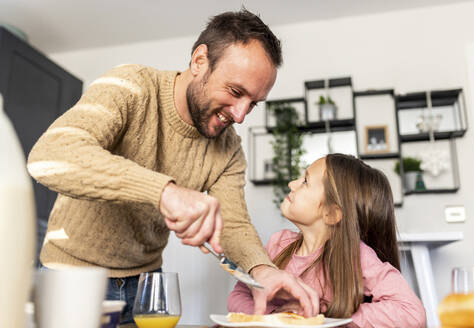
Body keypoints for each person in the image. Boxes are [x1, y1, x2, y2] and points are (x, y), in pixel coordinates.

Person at [27, 9, 319, 325]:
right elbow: (51, 154)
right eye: (235, 92)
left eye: (253, 103)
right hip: (73, 278)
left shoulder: (229, 146)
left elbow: (232, 223)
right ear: (199, 61)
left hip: (146, 286)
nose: (240, 115)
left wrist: (263, 271)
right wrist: (165, 192)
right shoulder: (131, 86)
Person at [228, 154, 427, 327]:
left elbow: (411, 312)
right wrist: (275, 317)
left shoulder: (357, 255)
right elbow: (239, 295)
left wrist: (326, 317)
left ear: (331, 214)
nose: (292, 184)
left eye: (305, 181)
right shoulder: (278, 244)